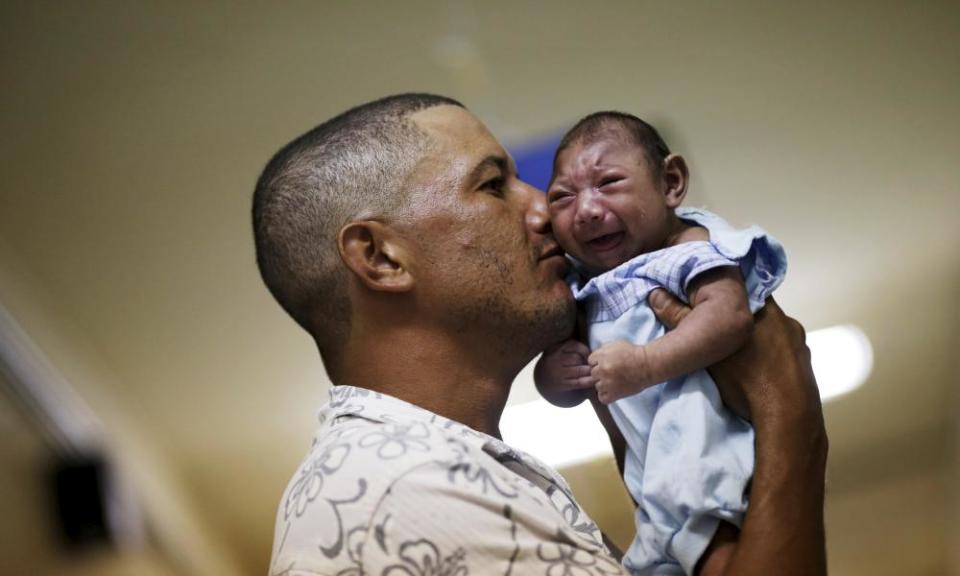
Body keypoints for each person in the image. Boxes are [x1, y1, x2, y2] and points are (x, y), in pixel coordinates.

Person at [252, 93, 827, 576]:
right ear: (380, 257)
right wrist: (788, 415)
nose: (544, 210)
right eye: (493, 185)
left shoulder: (424, 474)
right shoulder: (408, 492)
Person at [534, 112, 788, 574]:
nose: (586, 209)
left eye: (608, 182)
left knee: (716, 545)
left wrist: (647, 364)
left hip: (707, 447)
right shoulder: (582, 287)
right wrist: (554, 375)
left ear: (670, 182)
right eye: (562, 197)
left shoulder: (685, 250)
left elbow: (728, 316)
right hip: (652, 479)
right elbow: (565, 392)